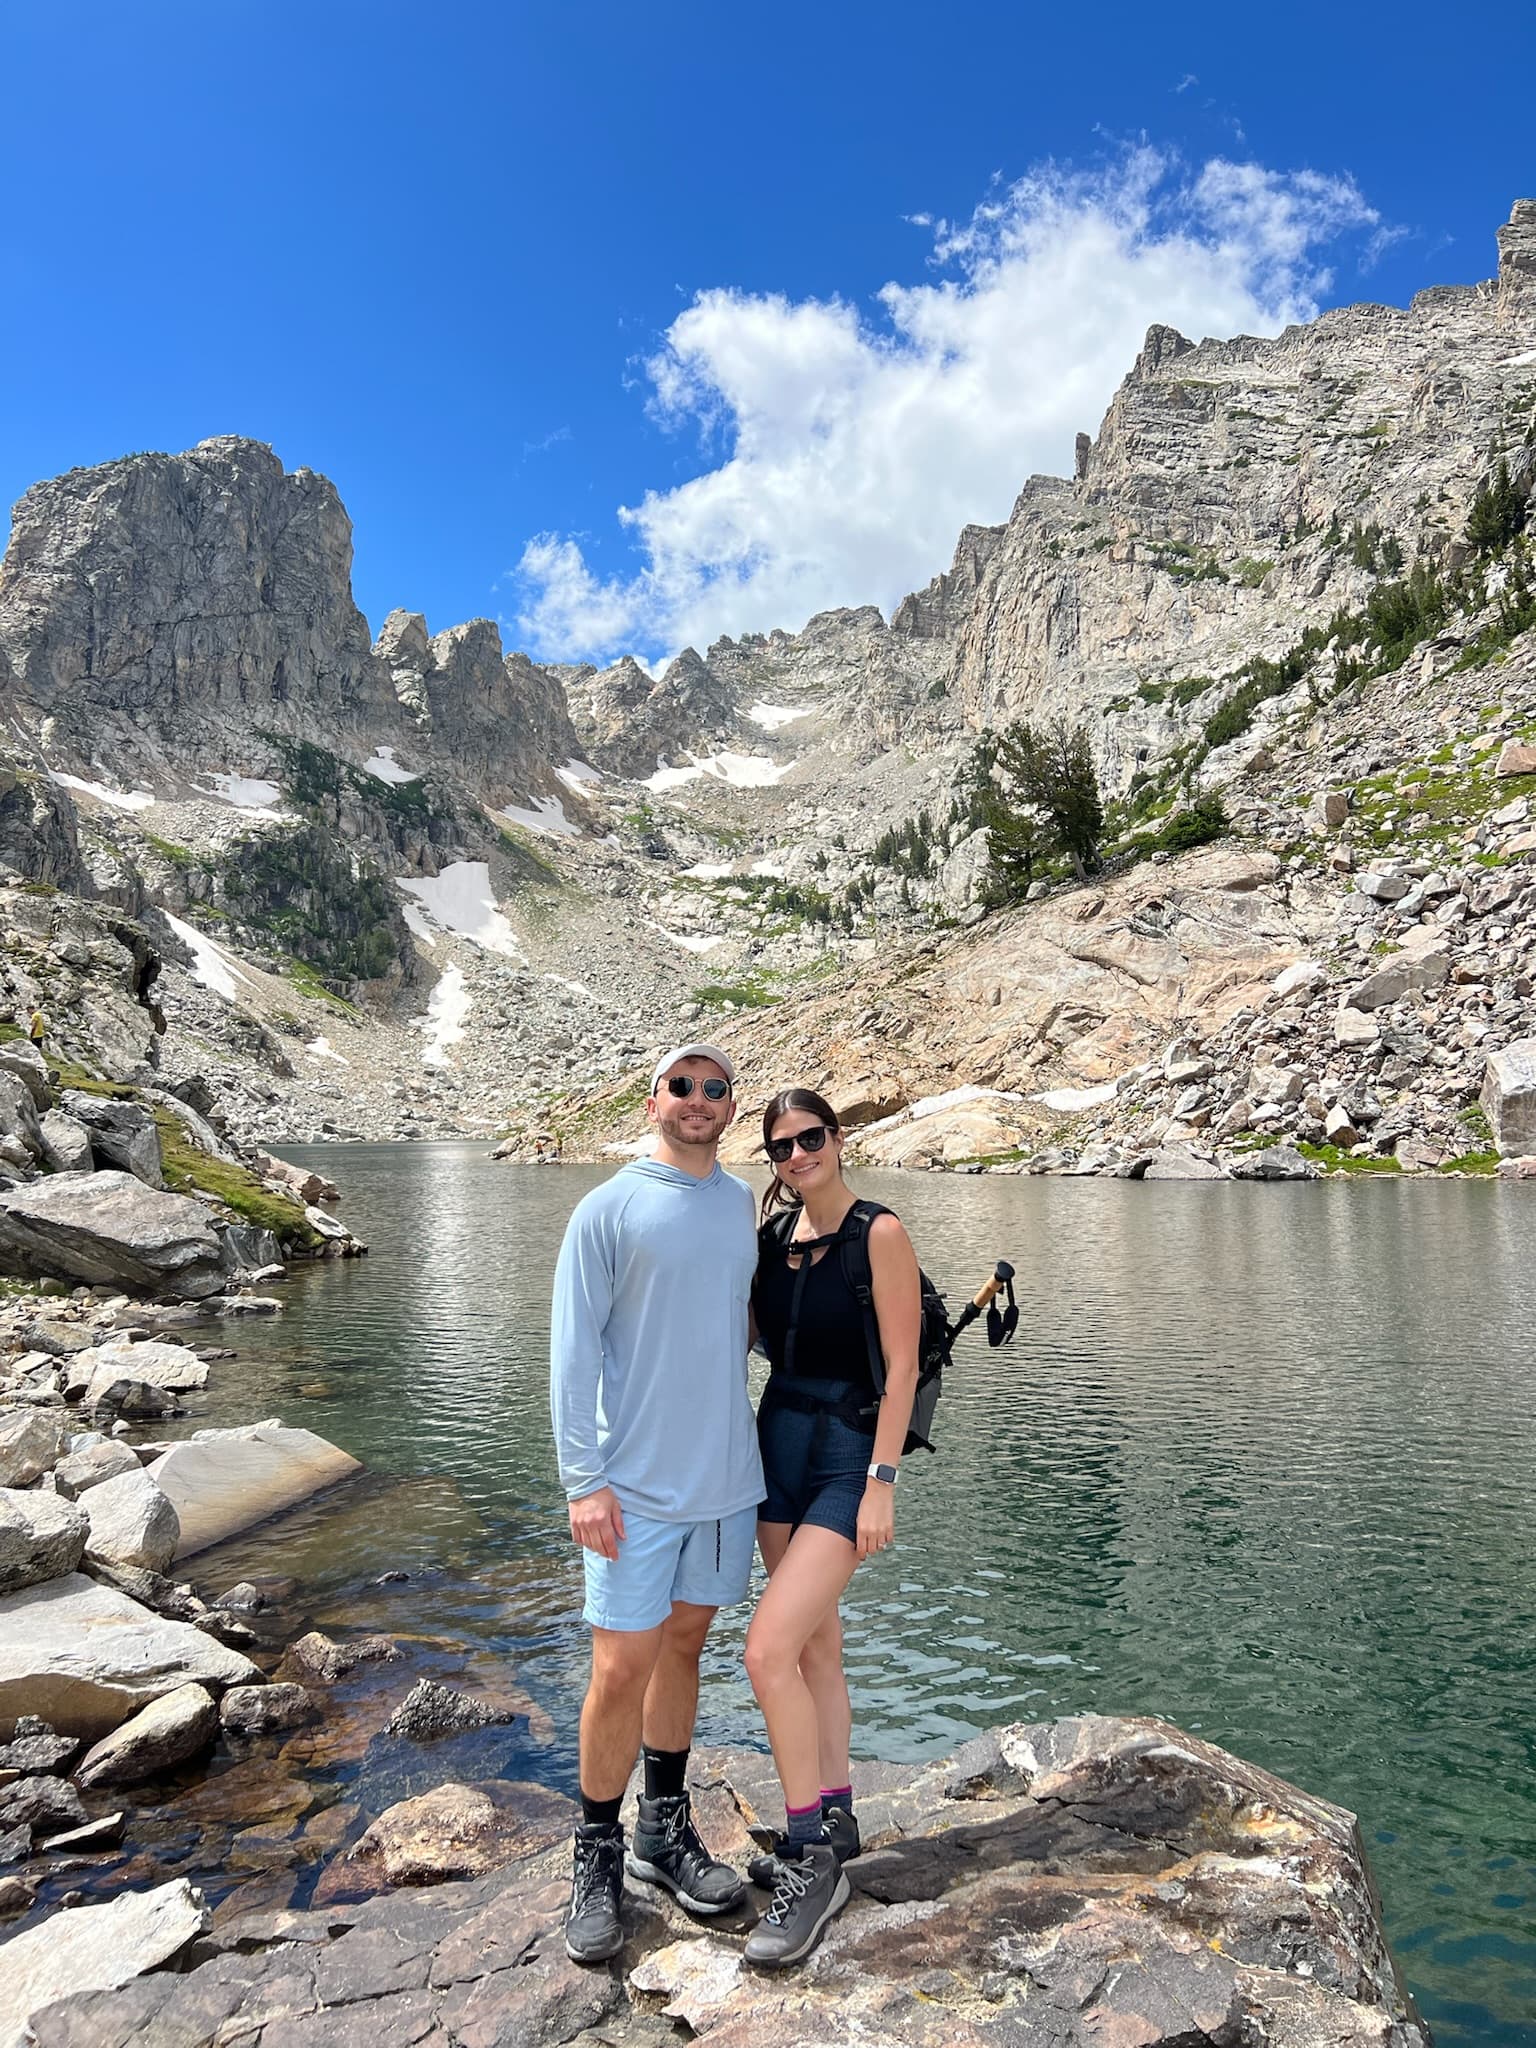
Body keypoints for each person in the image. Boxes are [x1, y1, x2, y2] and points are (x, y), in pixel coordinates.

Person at [549, 1043, 764, 1964]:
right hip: (631, 1489)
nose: (699, 1101)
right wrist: (583, 1481)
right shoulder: (609, 1206)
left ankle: (661, 1833)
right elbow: (572, 1348)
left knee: (685, 1646)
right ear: (653, 1102)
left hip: (725, 1482)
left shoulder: (742, 1203)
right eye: (683, 1087)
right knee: (618, 1666)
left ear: (728, 1108)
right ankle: (594, 1855)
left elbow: (739, 1320)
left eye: (715, 1090)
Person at [741, 1087, 922, 1969]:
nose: (798, 1154)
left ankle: (811, 1854)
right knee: (815, 1650)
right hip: (776, 1450)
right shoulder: (773, 1242)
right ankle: (839, 1809)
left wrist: (882, 1483)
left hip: (849, 1457)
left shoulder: (877, 1234)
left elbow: (902, 1365)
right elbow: (734, 1338)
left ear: (837, 1139)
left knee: (765, 1651)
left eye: (810, 1138)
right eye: (781, 1146)